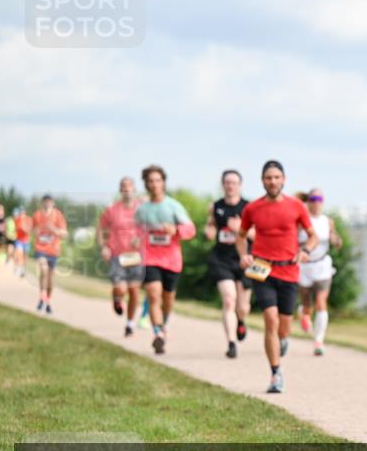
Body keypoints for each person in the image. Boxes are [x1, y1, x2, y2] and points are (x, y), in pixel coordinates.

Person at [237, 160, 316, 393]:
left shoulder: (296, 207)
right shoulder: (252, 208)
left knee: (284, 325)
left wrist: (306, 251)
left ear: (284, 180)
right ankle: (275, 374)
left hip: (289, 271)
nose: (272, 181)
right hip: (262, 270)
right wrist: (244, 255)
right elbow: (240, 236)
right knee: (269, 319)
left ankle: (283, 340)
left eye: (276, 177)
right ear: (262, 181)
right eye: (268, 178)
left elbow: (312, 236)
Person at [135, 165, 197, 355]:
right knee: (154, 294)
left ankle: (163, 323)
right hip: (150, 259)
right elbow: (135, 232)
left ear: (163, 183)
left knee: (168, 299)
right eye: (150, 181)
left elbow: (190, 230)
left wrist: (176, 231)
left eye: (158, 180)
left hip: (172, 260)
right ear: (146, 184)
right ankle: (158, 334)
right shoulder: (142, 209)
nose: (154, 184)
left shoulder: (173, 206)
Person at [205, 170, 253, 358]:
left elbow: (258, 235)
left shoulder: (249, 208)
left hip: (244, 260)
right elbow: (211, 225)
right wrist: (209, 230)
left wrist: (241, 230)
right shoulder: (215, 207)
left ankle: (241, 321)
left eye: (234, 182)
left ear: (240, 185)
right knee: (228, 299)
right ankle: (231, 343)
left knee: (242, 307)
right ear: (222, 184)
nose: (230, 185)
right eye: (227, 182)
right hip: (221, 259)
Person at [296, 189, 343, 356]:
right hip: (305, 267)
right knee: (307, 303)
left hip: (322, 265)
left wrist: (335, 239)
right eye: (313, 198)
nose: (316, 202)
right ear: (308, 201)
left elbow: (337, 241)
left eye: (320, 199)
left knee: (321, 301)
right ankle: (304, 312)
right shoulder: (302, 221)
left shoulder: (327, 221)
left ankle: (319, 341)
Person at [98, 177, 145, 336]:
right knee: (120, 288)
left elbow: (150, 228)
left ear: (134, 189)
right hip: (117, 255)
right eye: (123, 187)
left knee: (134, 291)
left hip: (137, 255)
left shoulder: (142, 208)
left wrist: (141, 238)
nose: (126, 189)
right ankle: (117, 299)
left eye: (129, 186)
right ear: (120, 190)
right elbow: (101, 229)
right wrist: (104, 246)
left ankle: (130, 323)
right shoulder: (112, 209)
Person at [31, 195, 68, 314]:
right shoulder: (37, 215)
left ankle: (47, 301)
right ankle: (42, 295)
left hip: (53, 249)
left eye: (49, 202)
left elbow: (64, 233)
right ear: (42, 203)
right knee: (43, 269)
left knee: (51, 279)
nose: (47, 204)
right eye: (45, 202)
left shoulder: (58, 215)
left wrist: (54, 230)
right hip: (41, 247)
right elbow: (33, 231)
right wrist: (38, 230)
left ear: (53, 203)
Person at [12, 205, 31, 278]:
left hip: (26, 241)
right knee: (19, 254)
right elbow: (16, 228)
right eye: (20, 211)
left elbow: (29, 230)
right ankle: (18, 269)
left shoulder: (28, 219)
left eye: (23, 211)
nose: (22, 213)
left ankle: (23, 269)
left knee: (25, 256)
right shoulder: (17, 219)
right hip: (19, 240)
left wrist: (24, 228)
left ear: (25, 212)